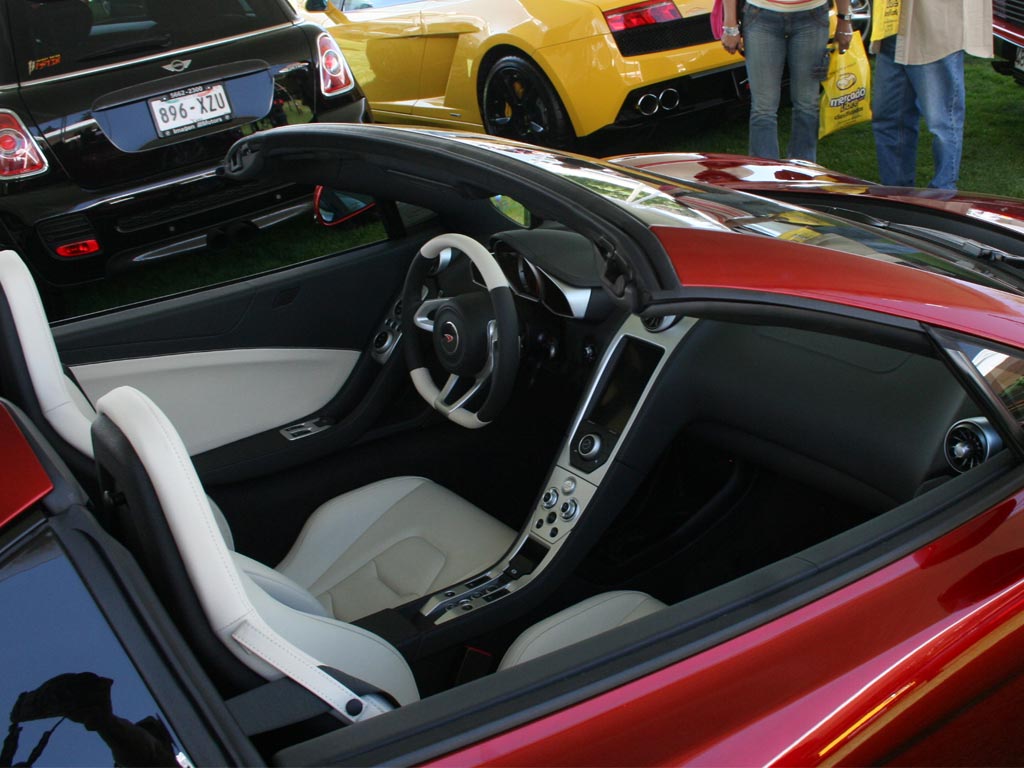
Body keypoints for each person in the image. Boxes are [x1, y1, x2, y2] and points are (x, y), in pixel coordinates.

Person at [871, 0, 993, 190]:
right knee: (888, 120)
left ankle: (942, 196)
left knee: (942, 123)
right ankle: (896, 194)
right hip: (891, 29)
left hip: (934, 32)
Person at [722, 0, 855, 162]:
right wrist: (730, 24)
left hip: (812, 15)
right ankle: (766, 173)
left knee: (806, 104)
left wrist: (845, 18)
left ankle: (803, 172)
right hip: (761, 14)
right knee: (763, 108)